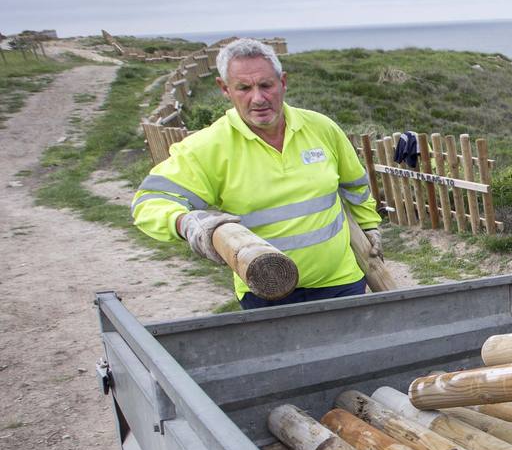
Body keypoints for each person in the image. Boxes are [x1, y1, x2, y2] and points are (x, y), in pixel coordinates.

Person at [132, 38, 383, 308]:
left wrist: (369, 227)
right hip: (265, 292)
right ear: (224, 89)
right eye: (243, 88)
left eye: (266, 85)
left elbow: (355, 185)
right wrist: (188, 224)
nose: (258, 98)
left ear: (283, 82)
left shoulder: (322, 129)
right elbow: (149, 201)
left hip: (341, 283)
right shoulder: (208, 148)